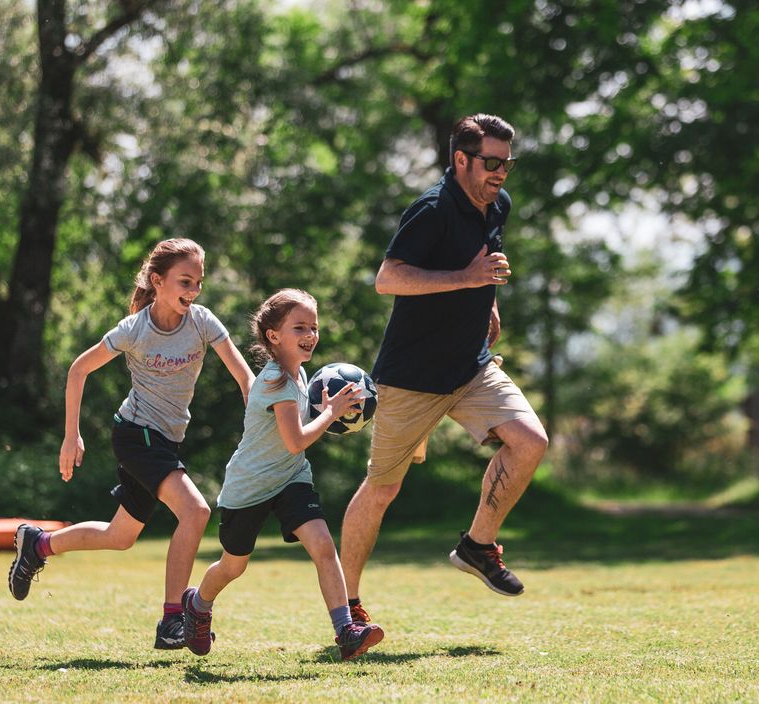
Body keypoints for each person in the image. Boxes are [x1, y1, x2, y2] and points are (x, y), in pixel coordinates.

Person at [340, 113, 549, 625]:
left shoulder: (498, 204)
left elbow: (485, 261)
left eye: (508, 163)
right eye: (492, 162)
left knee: (530, 442)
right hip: (412, 377)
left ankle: (478, 546)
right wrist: (466, 279)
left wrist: (488, 301)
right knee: (382, 488)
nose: (501, 173)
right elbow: (388, 279)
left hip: (471, 368)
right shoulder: (431, 209)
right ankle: (345, 606)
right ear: (461, 159)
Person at [8, 238, 255, 651]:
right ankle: (172, 619)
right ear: (157, 281)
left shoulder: (202, 322)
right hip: (136, 434)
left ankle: (38, 544)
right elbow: (78, 370)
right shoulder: (134, 329)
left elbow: (244, 378)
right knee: (195, 511)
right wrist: (71, 435)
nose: (194, 291)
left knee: (120, 535)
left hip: (166, 441)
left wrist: (258, 416)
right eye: (185, 281)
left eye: (198, 282)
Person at [180, 289, 384, 661]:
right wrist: (332, 413)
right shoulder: (276, 381)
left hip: (291, 478)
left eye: (314, 327)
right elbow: (296, 440)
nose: (310, 335)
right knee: (233, 566)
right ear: (274, 336)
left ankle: (346, 631)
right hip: (250, 487)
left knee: (323, 546)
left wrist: (330, 409)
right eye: (300, 327)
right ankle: (197, 604)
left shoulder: (301, 374)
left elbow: (295, 445)